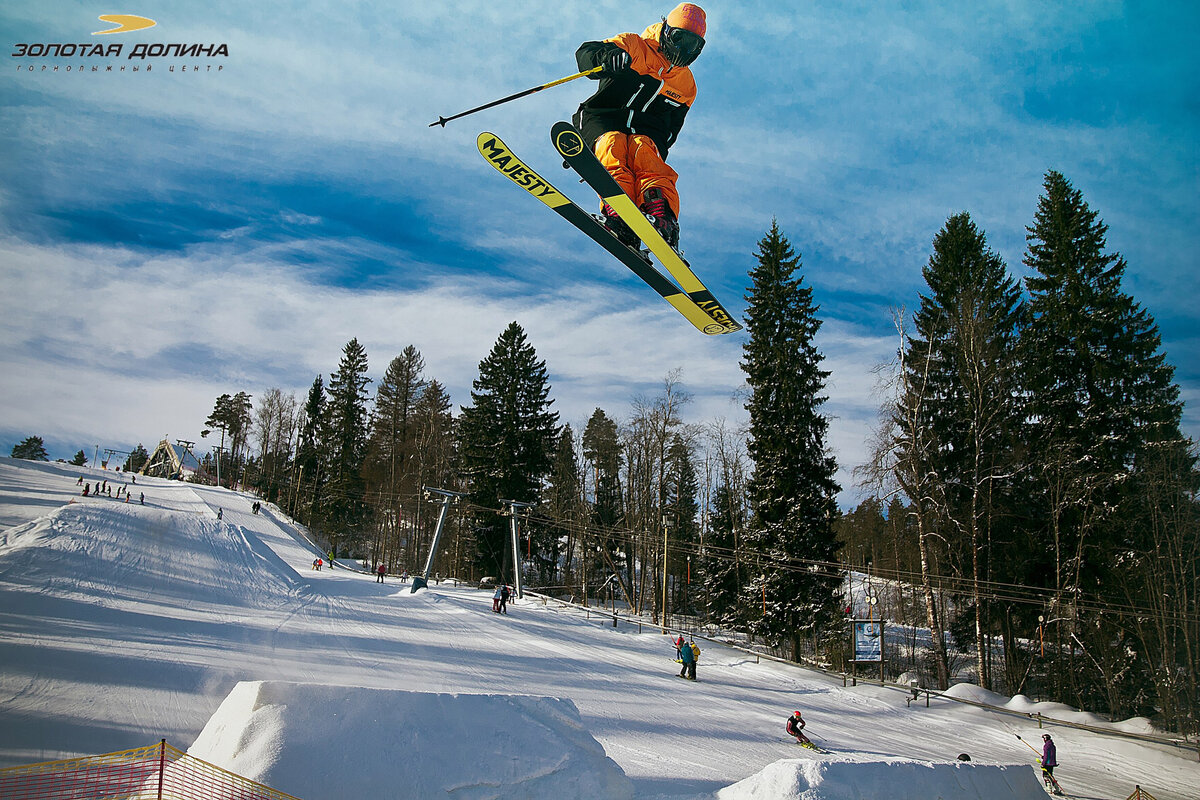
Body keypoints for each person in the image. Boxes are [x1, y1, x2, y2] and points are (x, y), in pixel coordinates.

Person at [573, 3, 706, 250]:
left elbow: (671, 129)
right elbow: (586, 52)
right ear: (666, 30)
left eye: (693, 44)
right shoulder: (634, 45)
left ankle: (660, 214)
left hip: (645, 130)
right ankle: (619, 209)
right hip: (604, 115)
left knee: (645, 153)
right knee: (613, 144)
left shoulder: (686, 84)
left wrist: (658, 150)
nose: (683, 49)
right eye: (679, 38)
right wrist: (607, 57)